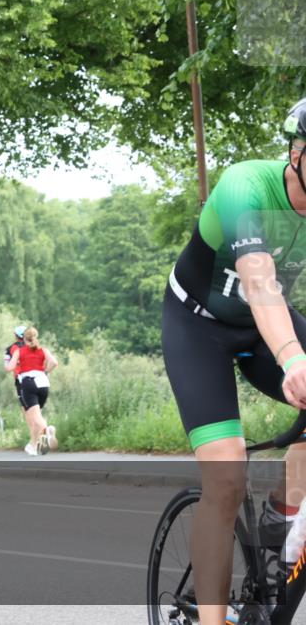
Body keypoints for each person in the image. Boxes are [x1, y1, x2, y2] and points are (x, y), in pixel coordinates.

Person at [161, 98, 306, 625]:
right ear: (296, 153)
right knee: (225, 475)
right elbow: (259, 279)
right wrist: (292, 358)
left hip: (265, 324)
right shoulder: (246, 186)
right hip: (198, 326)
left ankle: (281, 513)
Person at [4, 326, 58, 456]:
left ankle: (47, 431)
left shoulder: (20, 351)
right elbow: (54, 363)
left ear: (23, 338)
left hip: (29, 383)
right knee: (37, 413)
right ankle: (33, 446)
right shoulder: (43, 350)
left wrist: (9, 361)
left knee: (35, 416)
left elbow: (9, 368)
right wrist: (45, 372)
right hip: (43, 383)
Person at [4, 325, 27, 399]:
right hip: (38, 378)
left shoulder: (11, 348)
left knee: (25, 406)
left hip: (21, 378)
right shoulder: (35, 346)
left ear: (16, 336)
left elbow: (7, 367)